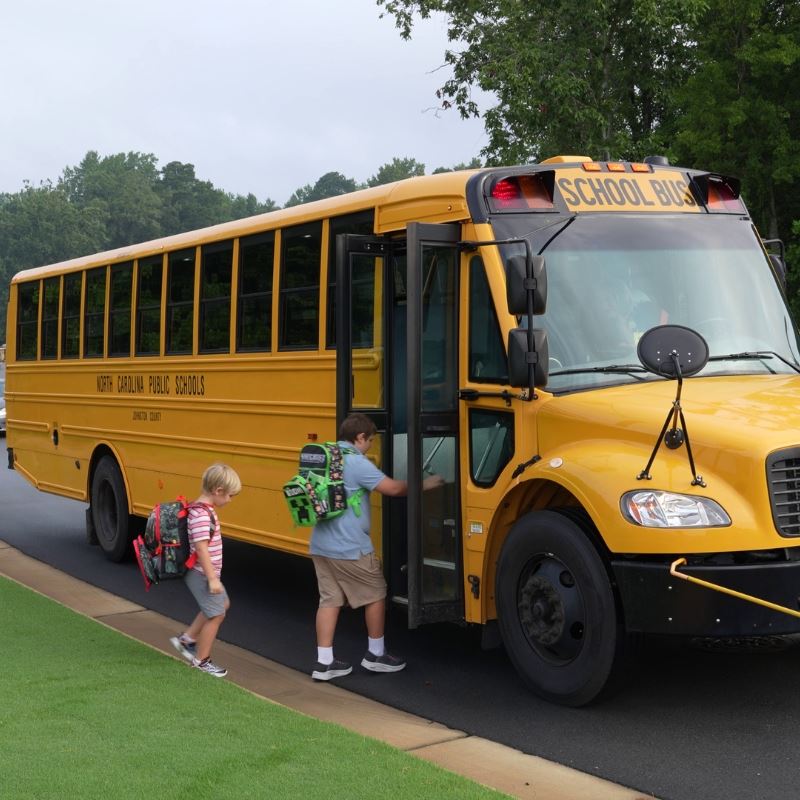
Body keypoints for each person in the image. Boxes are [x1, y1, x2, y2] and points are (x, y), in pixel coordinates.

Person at [310, 413, 444, 681]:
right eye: (370, 440)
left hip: (320, 544)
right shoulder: (356, 462)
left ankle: (324, 662)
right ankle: (376, 655)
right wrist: (426, 484)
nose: (371, 445)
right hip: (350, 546)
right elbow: (392, 489)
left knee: (330, 600)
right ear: (360, 437)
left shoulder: (328, 456)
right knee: (375, 594)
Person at [170, 462, 241, 677]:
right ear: (218, 491)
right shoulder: (202, 515)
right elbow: (201, 548)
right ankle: (201, 661)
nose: (230, 500)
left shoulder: (200, 509)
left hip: (204, 572)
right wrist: (212, 578)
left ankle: (187, 639)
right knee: (216, 614)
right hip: (201, 573)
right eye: (230, 496)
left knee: (221, 604)